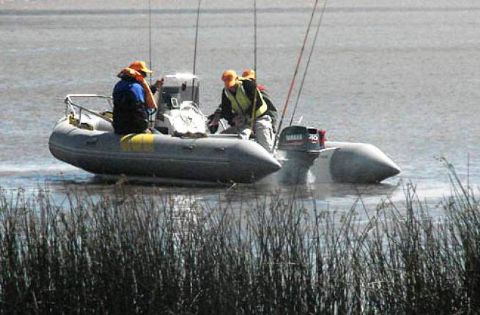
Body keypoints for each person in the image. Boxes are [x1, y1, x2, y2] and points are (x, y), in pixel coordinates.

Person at [208, 69, 275, 152]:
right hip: (244, 122)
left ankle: (270, 156)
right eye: (229, 86)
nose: (231, 88)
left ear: (237, 79)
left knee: (265, 143)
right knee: (240, 138)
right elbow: (225, 110)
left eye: (232, 86)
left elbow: (257, 102)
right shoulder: (225, 92)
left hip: (259, 118)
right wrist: (233, 119)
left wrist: (246, 115)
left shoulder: (248, 84)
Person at [112, 60, 163, 135]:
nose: (145, 76)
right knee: (157, 134)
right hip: (134, 129)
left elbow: (140, 95)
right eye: (144, 74)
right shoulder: (136, 87)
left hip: (119, 127)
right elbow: (139, 110)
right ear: (138, 73)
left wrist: (155, 87)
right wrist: (144, 128)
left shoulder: (119, 85)